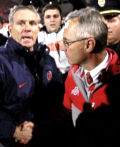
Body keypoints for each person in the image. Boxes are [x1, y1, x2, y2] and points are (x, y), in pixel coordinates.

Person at [0, 4, 66, 147]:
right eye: (21, 23)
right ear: (10, 29)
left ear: (38, 28)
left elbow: (58, 99)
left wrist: (39, 125)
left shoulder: (47, 59)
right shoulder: (1, 60)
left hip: (45, 135)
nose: (27, 28)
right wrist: (12, 130)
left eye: (32, 23)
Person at [63, 7, 120, 146]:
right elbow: (66, 114)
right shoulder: (72, 74)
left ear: (89, 44)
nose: (63, 48)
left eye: (67, 43)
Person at [38, 2, 70, 81]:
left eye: (55, 16)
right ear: (44, 20)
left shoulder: (70, 32)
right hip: (50, 81)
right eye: (48, 17)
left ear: (61, 18)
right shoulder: (38, 38)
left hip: (72, 76)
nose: (52, 20)